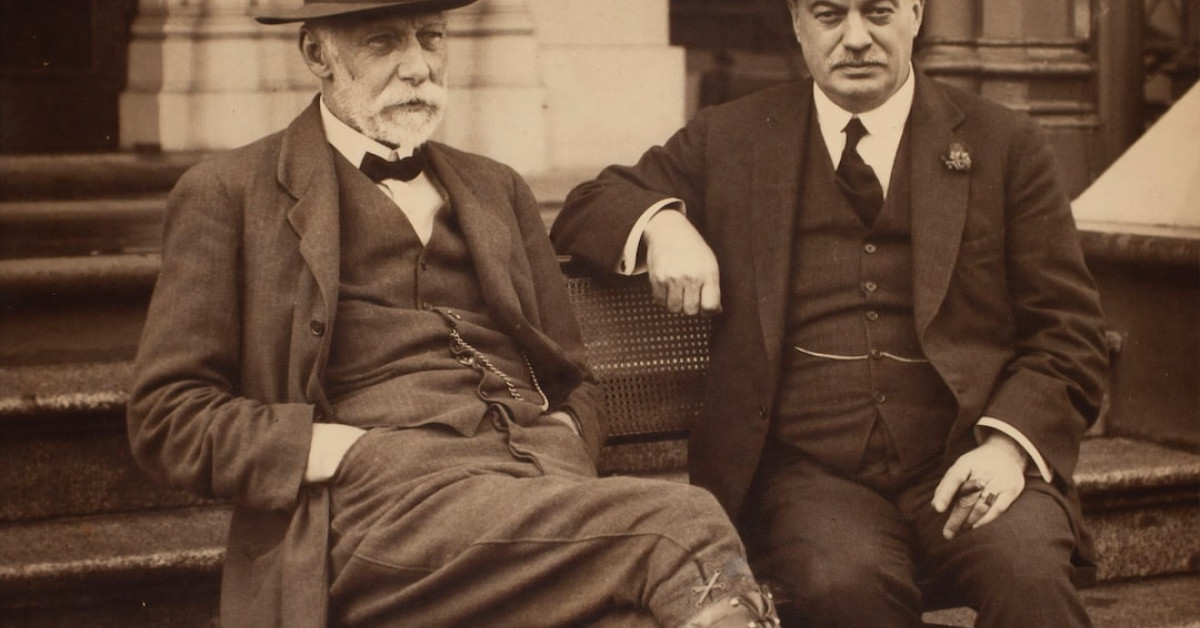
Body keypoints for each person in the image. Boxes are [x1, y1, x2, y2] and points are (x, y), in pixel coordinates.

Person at [126, 1, 783, 627]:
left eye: (432, 37)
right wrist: (344, 451)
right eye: (384, 42)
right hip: (378, 512)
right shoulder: (230, 193)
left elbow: (573, 376)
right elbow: (167, 416)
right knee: (682, 527)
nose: (418, 66)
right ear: (318, 53)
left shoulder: (495, 187)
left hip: (537, 489)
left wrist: (562, 436)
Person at [551, 1, 1110, 626]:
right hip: (814, 479)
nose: (856, 38)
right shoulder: (733, 136)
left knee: (1030, 578)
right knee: (842, 588)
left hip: (970, 455)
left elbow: (1070, 332)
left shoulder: (1004, 143)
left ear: (916, 13)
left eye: (878, 12)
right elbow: (589, 204)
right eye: (829, 14)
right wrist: (663, 224)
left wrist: (1007, 447)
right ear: (797, 23)